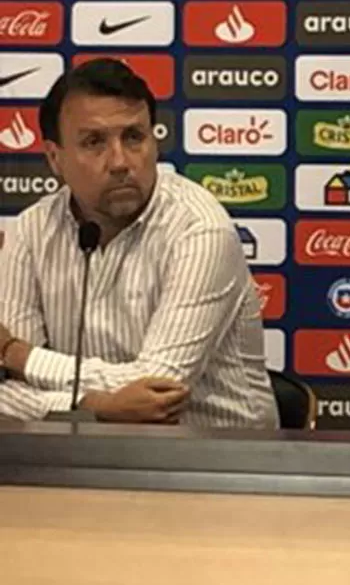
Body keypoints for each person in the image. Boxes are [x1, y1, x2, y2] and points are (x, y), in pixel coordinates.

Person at [0, 58, 277, 428]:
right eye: (94, 142)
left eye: (134, 137)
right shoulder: (30, 232)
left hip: (224, 464)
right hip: (80, 458)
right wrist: (96, 406)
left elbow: (159, 391)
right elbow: (6, 390)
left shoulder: (199, 230)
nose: (120, 161)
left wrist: (18, 355)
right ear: (55, 158)